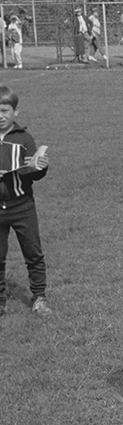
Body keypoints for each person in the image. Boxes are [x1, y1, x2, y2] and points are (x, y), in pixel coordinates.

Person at [0, 86, 52, 318]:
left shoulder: (24, 139)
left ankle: (39, 297)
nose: (0, 116)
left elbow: (34, 174)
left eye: (5, 110)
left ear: (15, 112)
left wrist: (39, 167)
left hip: (22, 207)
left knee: (33, 253)